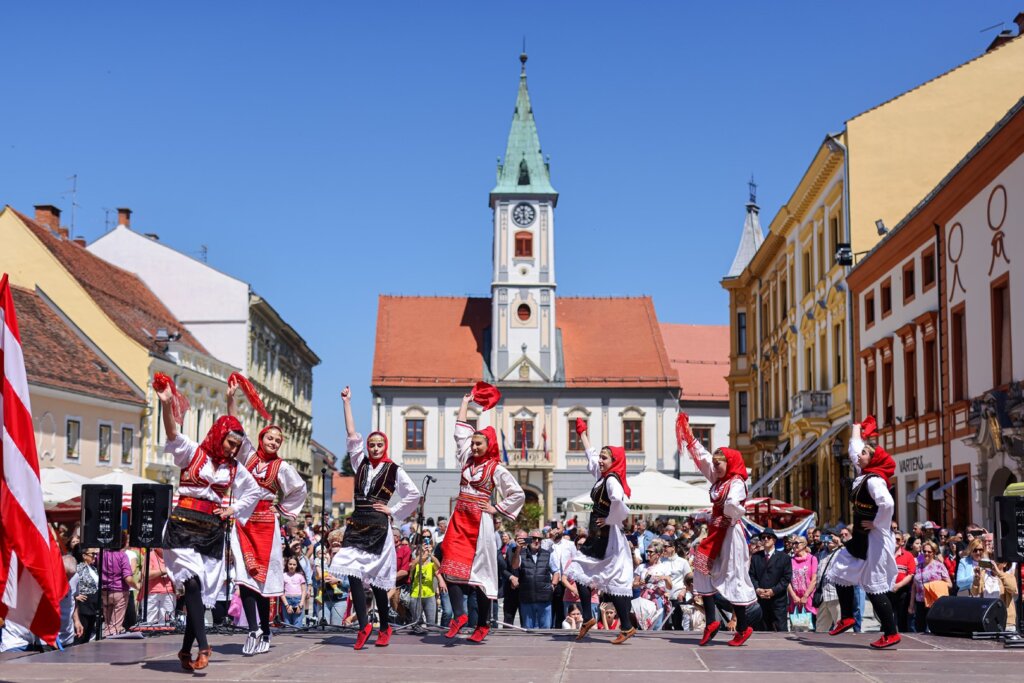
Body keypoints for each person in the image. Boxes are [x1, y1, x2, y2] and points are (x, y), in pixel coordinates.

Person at [156, 377, 261, 672]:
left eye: (236, 446)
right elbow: (172, 432)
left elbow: (253, 491)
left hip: (212, 529)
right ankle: (204, 646)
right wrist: (166, 405)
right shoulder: (194, 453)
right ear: (219, 436)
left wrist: (233, 509)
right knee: (190, 582)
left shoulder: (233, 467)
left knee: (200, 594)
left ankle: (185, 650)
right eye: (230, 443)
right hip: (183, 525)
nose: (232, 449)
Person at [328, 387, 420, 649]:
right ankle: (364, 624)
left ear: (385, 446)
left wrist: (393, 510)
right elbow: (352, 434)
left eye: (379, 444)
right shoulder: (360, 463)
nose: (375, 448)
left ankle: (386, 627)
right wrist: (347, 402)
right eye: (372, 444)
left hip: (379, 527)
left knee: (379, 580)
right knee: (351, 572)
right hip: (358, 524)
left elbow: (413, 494)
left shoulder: (394, 469)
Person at [227, 378, 309, 656]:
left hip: (266, 525)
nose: (273, 442)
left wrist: (282, 510)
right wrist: (231, 399)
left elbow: (299, 489)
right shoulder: (247, 454)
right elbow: (234, 428)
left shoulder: (282, 467)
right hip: (243, 521)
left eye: (278, 440)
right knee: (244, 578)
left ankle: (264, 627)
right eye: (269, 437)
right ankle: (254, 629)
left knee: (263, 582)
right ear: (260, 438)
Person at [440, 390, 525, 643]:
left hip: (480, 522)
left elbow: (516, 493)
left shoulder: (495, 468)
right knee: (449, 566)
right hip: (459, 518)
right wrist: (465, 403)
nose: (474, 446)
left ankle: (482, 625)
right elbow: (460, 434)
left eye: (479, 443)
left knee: (481, 575)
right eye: (474, 443)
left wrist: (496, 509)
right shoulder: (467, 460)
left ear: (488, 446)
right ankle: (459, 615)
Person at [678, 413, 757, 647]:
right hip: (715, 534)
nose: (715, 467)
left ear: (729, 463)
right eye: (715, 464)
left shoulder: (736, 483)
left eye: (719, 463)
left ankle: (742, 628)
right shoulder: (718, 480)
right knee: (701, 567)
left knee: (733, 578)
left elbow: (734, 503)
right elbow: (702, 459)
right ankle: (712, 621)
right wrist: (689, 435)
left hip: (731, 535)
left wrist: (732, 512)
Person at [825, 416, 900, 649]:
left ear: (873, 459)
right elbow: (854, 448)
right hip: (861, 535)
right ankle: (847, 616)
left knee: (873, 584)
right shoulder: (863, 474)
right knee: (839, 567)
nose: (860, 456)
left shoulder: (874, 480)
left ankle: (891, 632)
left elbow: (887, 504)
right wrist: (856, 429)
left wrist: (878, 523)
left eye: (865, 454)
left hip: (874, 538)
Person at [563, 419, 638, 645]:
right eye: (602, 458)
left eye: (605, 458)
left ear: (614, 462)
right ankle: (590, 618)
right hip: (599, 533)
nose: (601, 461)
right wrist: (583, 433)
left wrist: (610, 519)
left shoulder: (612, 481)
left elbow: (621, 503)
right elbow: (591, 455)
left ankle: (622, 624)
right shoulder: (603, 477)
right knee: (584, 574)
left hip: (606, 536)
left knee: (596, 576)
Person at [511, 530, 561, 628]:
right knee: (528, 629)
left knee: (545, 629)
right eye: (533, 538)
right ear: (528, 540)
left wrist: (553, 585)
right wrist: (518, 548)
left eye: (539, 539)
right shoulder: (521, 554)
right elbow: (514, 565)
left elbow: (556, 571)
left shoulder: (547, 554)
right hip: (527, 598)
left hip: (544, 598)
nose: (537, 541)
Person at [749, 530, 792, 631]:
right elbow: (751, 576)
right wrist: (757, 588)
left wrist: (773, 591)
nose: (765, 539)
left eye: (768, 537)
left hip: (778, 602)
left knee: (780, 631)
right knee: (762, 631)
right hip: (761, 601)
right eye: (763, 537)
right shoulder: (756, 557)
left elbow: (786, 578)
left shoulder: (784, 557)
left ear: (774, 540)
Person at [968, 546, 1017, 629]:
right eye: (992, 559)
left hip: (1005, 621)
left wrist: (998, 573)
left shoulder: (1008, 576)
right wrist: (976, 579)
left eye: (998, 562)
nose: (994, 563)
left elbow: (1013, 589)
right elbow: (974, 592)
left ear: (1004, 564)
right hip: (987, 617)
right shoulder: (983, 574)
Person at [912, 540, 952, 632]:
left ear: (934, 553)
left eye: (929, 552)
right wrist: (911, 605)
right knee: (919, 630)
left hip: (934, 602)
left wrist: (934, 585)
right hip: (920, 602)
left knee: (933, 630)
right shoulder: (918, 567)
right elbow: (914, 586)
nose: (926, 553)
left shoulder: (939, 566)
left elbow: (949, 584)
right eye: (924, 551)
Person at [409, 540, 445, 626]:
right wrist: (422, 554)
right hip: (416, 595)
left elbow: (439, 565)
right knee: (416, 623)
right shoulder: (415, 565)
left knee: (431, 623)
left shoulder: (431, 565)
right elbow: (412, 565)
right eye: (421, 552)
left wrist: (430, 554)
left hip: (429, 596)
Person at [787, 535, 817, 630]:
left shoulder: (812, 559)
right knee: (795, 627)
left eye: (796, 543)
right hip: (794, 599)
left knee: (808, 628)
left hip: (808, 598)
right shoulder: (790, 560)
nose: (794, 546)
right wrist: (794, 596)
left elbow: (814, 580)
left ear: (804, 545)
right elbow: (787, 580)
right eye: (793, 544)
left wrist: (805, 596)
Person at [72, 548, 100, 644]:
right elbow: (70, 582)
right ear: (84, 556)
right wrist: (75, 595)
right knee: (82, 632)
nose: (95, 556)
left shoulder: (93, 568)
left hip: (93, 602)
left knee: (89, 632)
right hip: (84, 603)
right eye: (92, 554)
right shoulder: (78, 568)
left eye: (95, 554)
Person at [814, 534, 841, 633]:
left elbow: (852, 554)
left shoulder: (842, 552)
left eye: (833, 537)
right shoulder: (822, 553)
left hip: (836, 595)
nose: (830, 540)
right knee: (820, 627)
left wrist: (840, 544)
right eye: (829, 537)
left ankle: (842, 647)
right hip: (823, 596)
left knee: (840, 625)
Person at [889, 532, 916, 633]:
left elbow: (910, 574)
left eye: (898, 539)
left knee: (902, 619)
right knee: (886, 617)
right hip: (886, 590)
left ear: (902, 542)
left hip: (902, 591)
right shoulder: (885, 554)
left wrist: (898, 585)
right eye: (893, 539)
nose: (895, 541)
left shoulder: (908, 556)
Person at [143, 548, 175, 625]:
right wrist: (164, 570)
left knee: (168, 623)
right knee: (149, 621)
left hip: (169, 593)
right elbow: (146, 574)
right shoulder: (150, 555)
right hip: (152, 592)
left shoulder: (172, 555)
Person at [281, 557, 307, 627]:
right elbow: (281, 592)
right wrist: (286, 605)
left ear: (297, 565)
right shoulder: (283, 576)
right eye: (290, 564)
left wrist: (301, 604)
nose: (292, 566)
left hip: (298, 600)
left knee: (297, 625)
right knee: (287, 624)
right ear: (287, 565)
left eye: (294, 564)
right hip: (287, 600)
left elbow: (304, 591)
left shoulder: (300, 576)